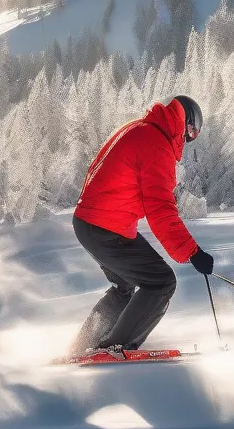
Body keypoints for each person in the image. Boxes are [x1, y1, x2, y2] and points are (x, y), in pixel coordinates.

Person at [69, 95, 214, 358]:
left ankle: (84, 348)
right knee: (161, 282)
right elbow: (160, 209)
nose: (189, 139)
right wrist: (192, 252)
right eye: (191, 132)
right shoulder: (157, 144)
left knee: (123, 286)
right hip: (105, 226)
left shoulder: (140, 128)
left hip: (93, 223)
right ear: (184, 122)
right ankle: (115, 348)